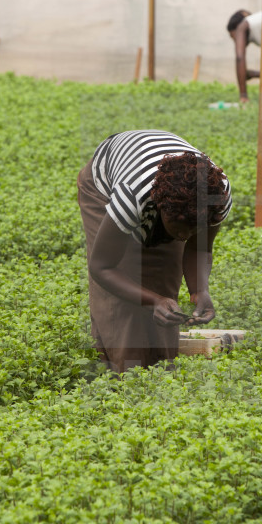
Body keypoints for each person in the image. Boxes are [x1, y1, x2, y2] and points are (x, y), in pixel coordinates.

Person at [77, 130, 232, 373]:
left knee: (164, 290)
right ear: (160, 207)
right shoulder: (132, 195)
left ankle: (160, 378)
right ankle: (122, 380)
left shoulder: (216, 196)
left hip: (173, 201)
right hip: (103, 184)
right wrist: (152, 301)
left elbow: (199, 248)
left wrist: (199, 289)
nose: (183, 236)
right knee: (123, 302)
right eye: (180, 228)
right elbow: (102, 267)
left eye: (193, 228)